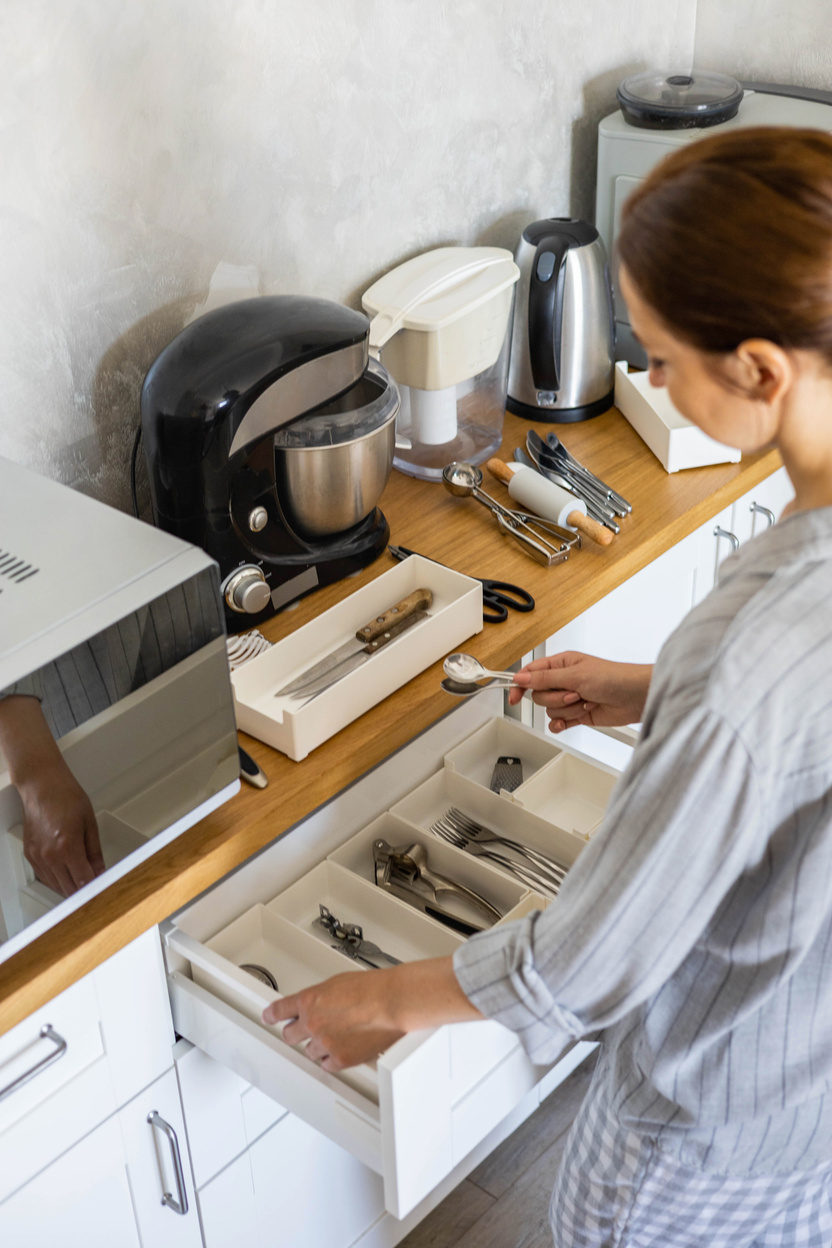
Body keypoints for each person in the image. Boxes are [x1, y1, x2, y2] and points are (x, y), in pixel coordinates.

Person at [263, 126, 832, 1246]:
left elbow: (586, 965)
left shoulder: (746, 656)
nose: (650, 382)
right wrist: (653, 688)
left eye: (660, 357)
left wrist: (378, 1000)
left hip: (697, 1150)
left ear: (762, 370)